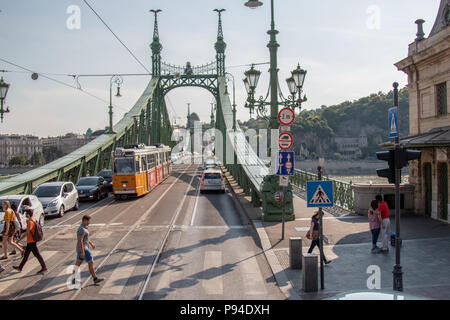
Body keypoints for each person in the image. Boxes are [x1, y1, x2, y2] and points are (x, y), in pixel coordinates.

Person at [12, 208, 47, 274]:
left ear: (28, 215)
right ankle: (20, 267)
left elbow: (27, 232)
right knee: (26, 255)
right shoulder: (33, 219)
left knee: (37, 255)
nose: (25, 215)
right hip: (31, 241)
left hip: (31, 242)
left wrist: (19, 240)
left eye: (26, 214)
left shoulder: (30, 222)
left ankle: (44, 267)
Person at [73, 215, 103, 285]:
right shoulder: (81, 229)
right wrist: (82, 252)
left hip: (83, 248)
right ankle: (95, 278)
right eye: (88, 221)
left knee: (78, 264)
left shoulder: (84, 228)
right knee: (90, 262)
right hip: (84, 249)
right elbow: (80, 240)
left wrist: (91, 243)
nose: (89, 222)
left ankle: (74, 279)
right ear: (84, 221)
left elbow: (85, 238)